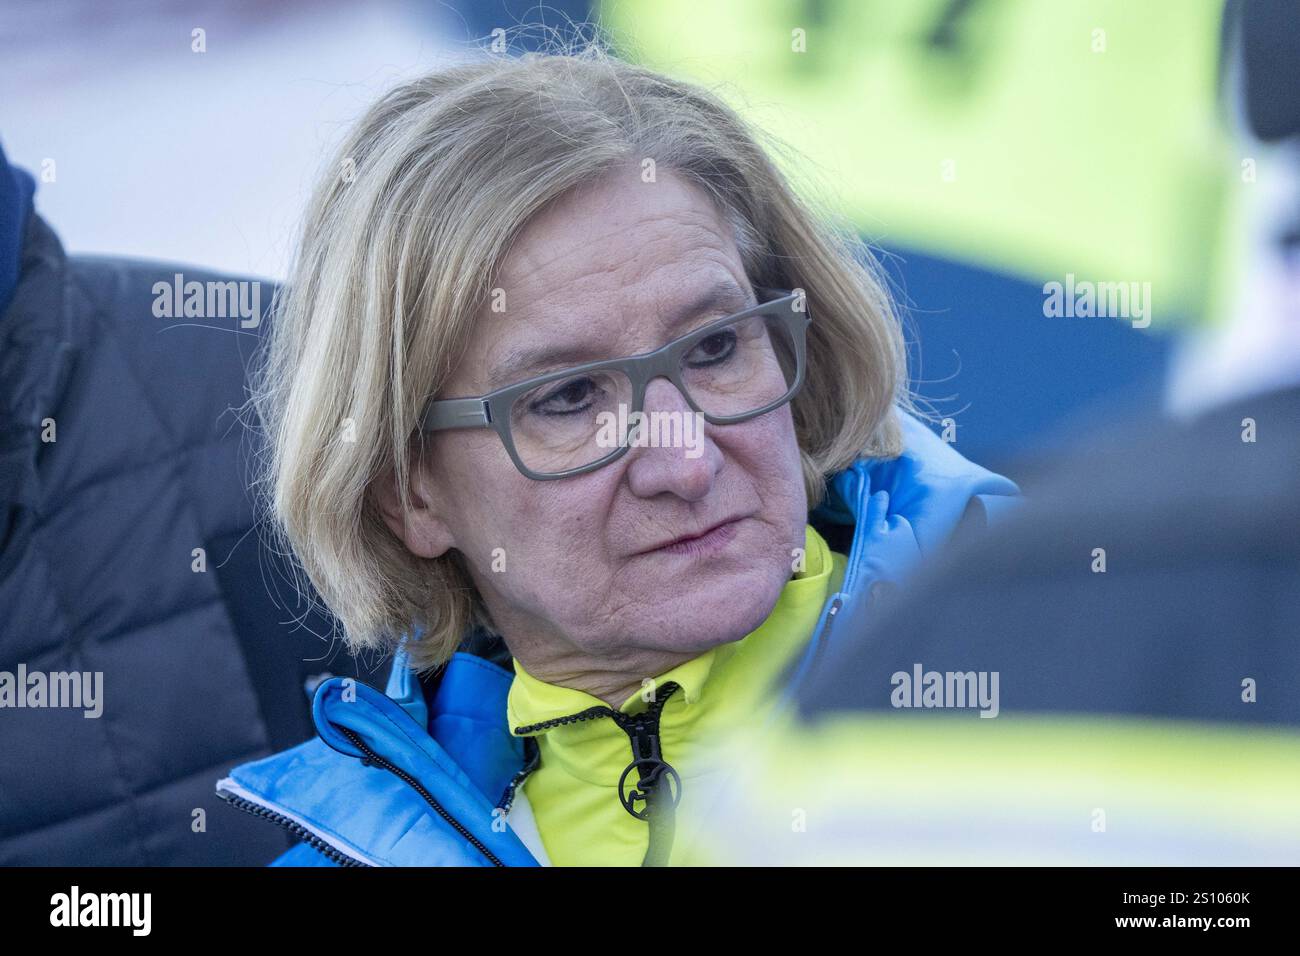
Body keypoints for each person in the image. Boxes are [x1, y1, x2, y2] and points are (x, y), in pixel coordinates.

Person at [215, 45, 1017, 867]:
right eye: (568, 398)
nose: (687, 463)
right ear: (408, 496)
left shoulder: (1064, 672)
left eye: (713, 347)